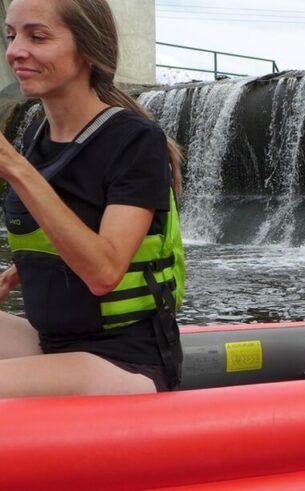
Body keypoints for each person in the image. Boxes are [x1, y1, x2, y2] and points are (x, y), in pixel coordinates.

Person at [0, 0, 185, 396]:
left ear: (86, 47)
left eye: (37, 36)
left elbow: (104, 273)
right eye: (11, 35)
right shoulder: (36, 135)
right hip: (53, 344)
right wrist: (20, 273)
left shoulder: (136, 141)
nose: (15, 50)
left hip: (123, 361)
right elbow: (58, 229)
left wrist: (14, 167)